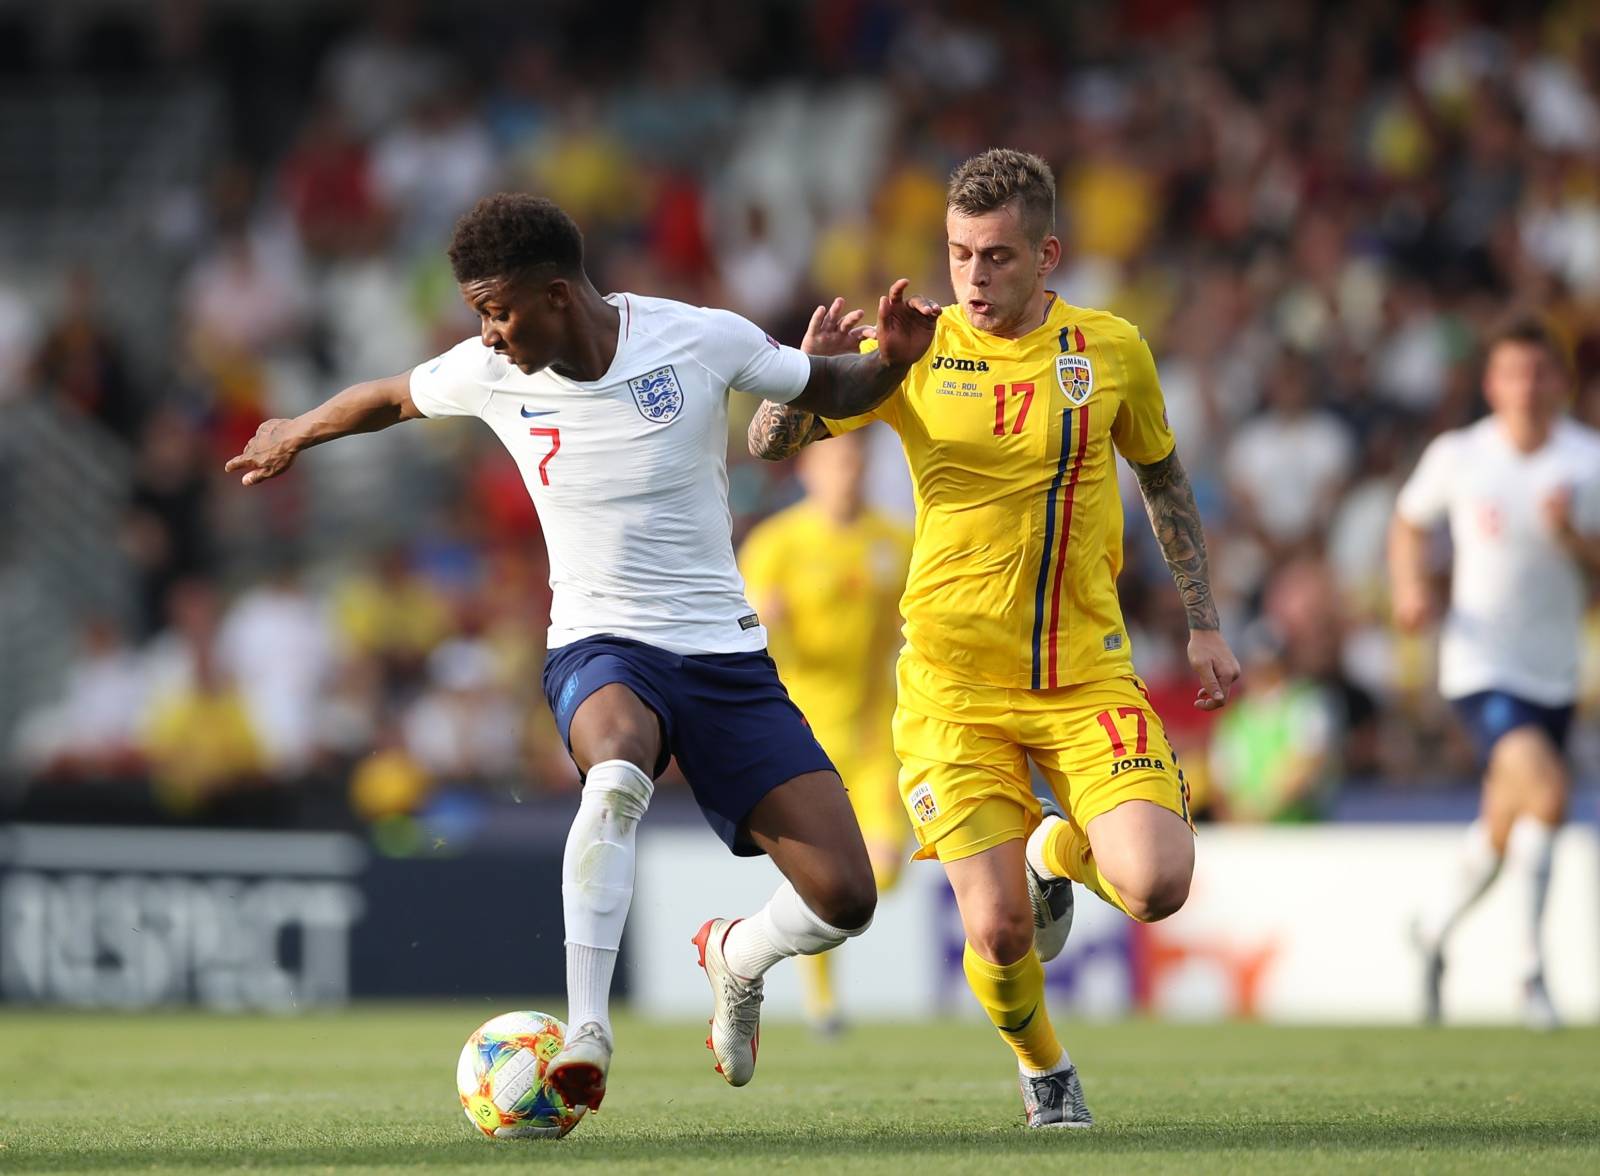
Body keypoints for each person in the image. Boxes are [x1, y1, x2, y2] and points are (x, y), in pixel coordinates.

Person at [226, 193, 940, 1111]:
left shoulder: (697, 339)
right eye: (479, 313)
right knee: (616, 766)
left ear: (557, 295)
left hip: (723, 657)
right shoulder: (489, 373)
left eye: (497, 310)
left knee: (846, 897)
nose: (486, 334)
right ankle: (589, 1031)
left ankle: (738, 955)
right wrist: (295, 430)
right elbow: (390, 398)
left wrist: (887, 361)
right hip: (600, 644)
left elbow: (827, 389)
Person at [748, 148, 1240, 1128]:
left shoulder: (1109, 350)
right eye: (959, 254)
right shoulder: (915, 349)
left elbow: (1164, 479)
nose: (972, 277)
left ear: (1047, 255)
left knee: (1155, 886)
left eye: (998, 256)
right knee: (999, 927)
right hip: (951, 692)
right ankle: (1044, 1069)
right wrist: (806, 375)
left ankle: (1059, 851)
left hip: (1085, 679)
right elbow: (769, 444)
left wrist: (1203, 621)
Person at [1389, 315, 1600, 1030]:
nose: (1527, 387)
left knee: (1505, 827)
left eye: (1540, 373)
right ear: (1492, 383)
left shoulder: (1587, 460)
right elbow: (1408, 522)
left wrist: (1571, 534)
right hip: (1481, 667)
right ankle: (1531, 975)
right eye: (1513, 373)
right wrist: (1411, 588)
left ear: (1560, 382)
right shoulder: (1460, 455)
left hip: (1556, 672)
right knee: (1549, 793)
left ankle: (1431, 929)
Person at [739, 424, 912, 1033]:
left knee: (884, 871)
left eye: (856, 462)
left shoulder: (895, 541)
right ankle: (822, 1003)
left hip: (872, 739)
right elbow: (739, 626)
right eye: (836, 462)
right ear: (809, 470)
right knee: (825, 877)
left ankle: (761, 948)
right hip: (803, 739)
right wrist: (762, 616)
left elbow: (914, 622)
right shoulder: (777, 544)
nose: (849, 473)